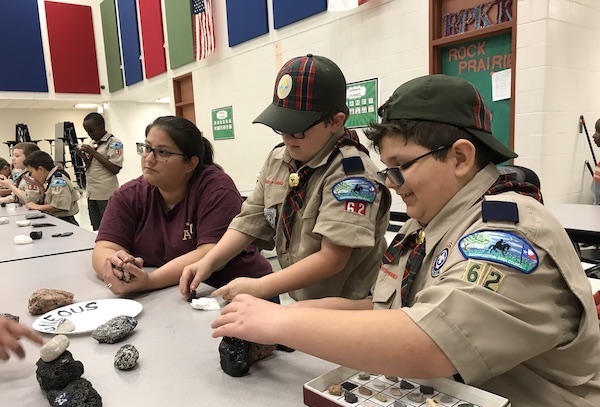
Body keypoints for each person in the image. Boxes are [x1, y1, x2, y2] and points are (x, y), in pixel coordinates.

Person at [209, 75, 600, 407]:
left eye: (400, 166)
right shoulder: (427, 221)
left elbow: (430, 342)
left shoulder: (508, 235)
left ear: (461, 157)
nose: (392, 184)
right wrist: (292, 315)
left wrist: (282, 321)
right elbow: (384, 309)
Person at [180, 54, 391, 302]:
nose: (287, 138)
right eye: (281, 127)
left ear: (335, 122)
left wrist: (261, 286)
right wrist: (209, 261)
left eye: (298, 129)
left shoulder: (352, 175)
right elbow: (249, 220)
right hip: (302, 301)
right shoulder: (280, 159)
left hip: (347, 307)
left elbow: (332, 259)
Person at [93, 116, 273, 295]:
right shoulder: (129, 195)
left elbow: (209, 253)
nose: (148, 159)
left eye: (162, 153)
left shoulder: (216, 189)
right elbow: (104, 248)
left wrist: (150, 281)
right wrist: (116, 268)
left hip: (233, 292)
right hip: (170, 294)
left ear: (190, 163)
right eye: (147, 148)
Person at [75, 112, 123, 230]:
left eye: (92, 130)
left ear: (102, 126)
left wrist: (93, 153)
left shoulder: (114, 143)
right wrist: (84, 157)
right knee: (97, 228)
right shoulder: (93, 143)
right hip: (92, 192)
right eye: (87, 132)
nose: (90, 134)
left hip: (106, 193)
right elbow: (93, 165)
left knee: (111, 227)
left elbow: (115, 168)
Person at [23, 150, 79, 225]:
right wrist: (40, 186)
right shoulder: (49, 180)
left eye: (31, 173)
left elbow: (59, 206)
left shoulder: (58, 180)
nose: (32, 176)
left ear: (41, 169)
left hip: (64, 222)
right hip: (57, 220)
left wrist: (36, 207)